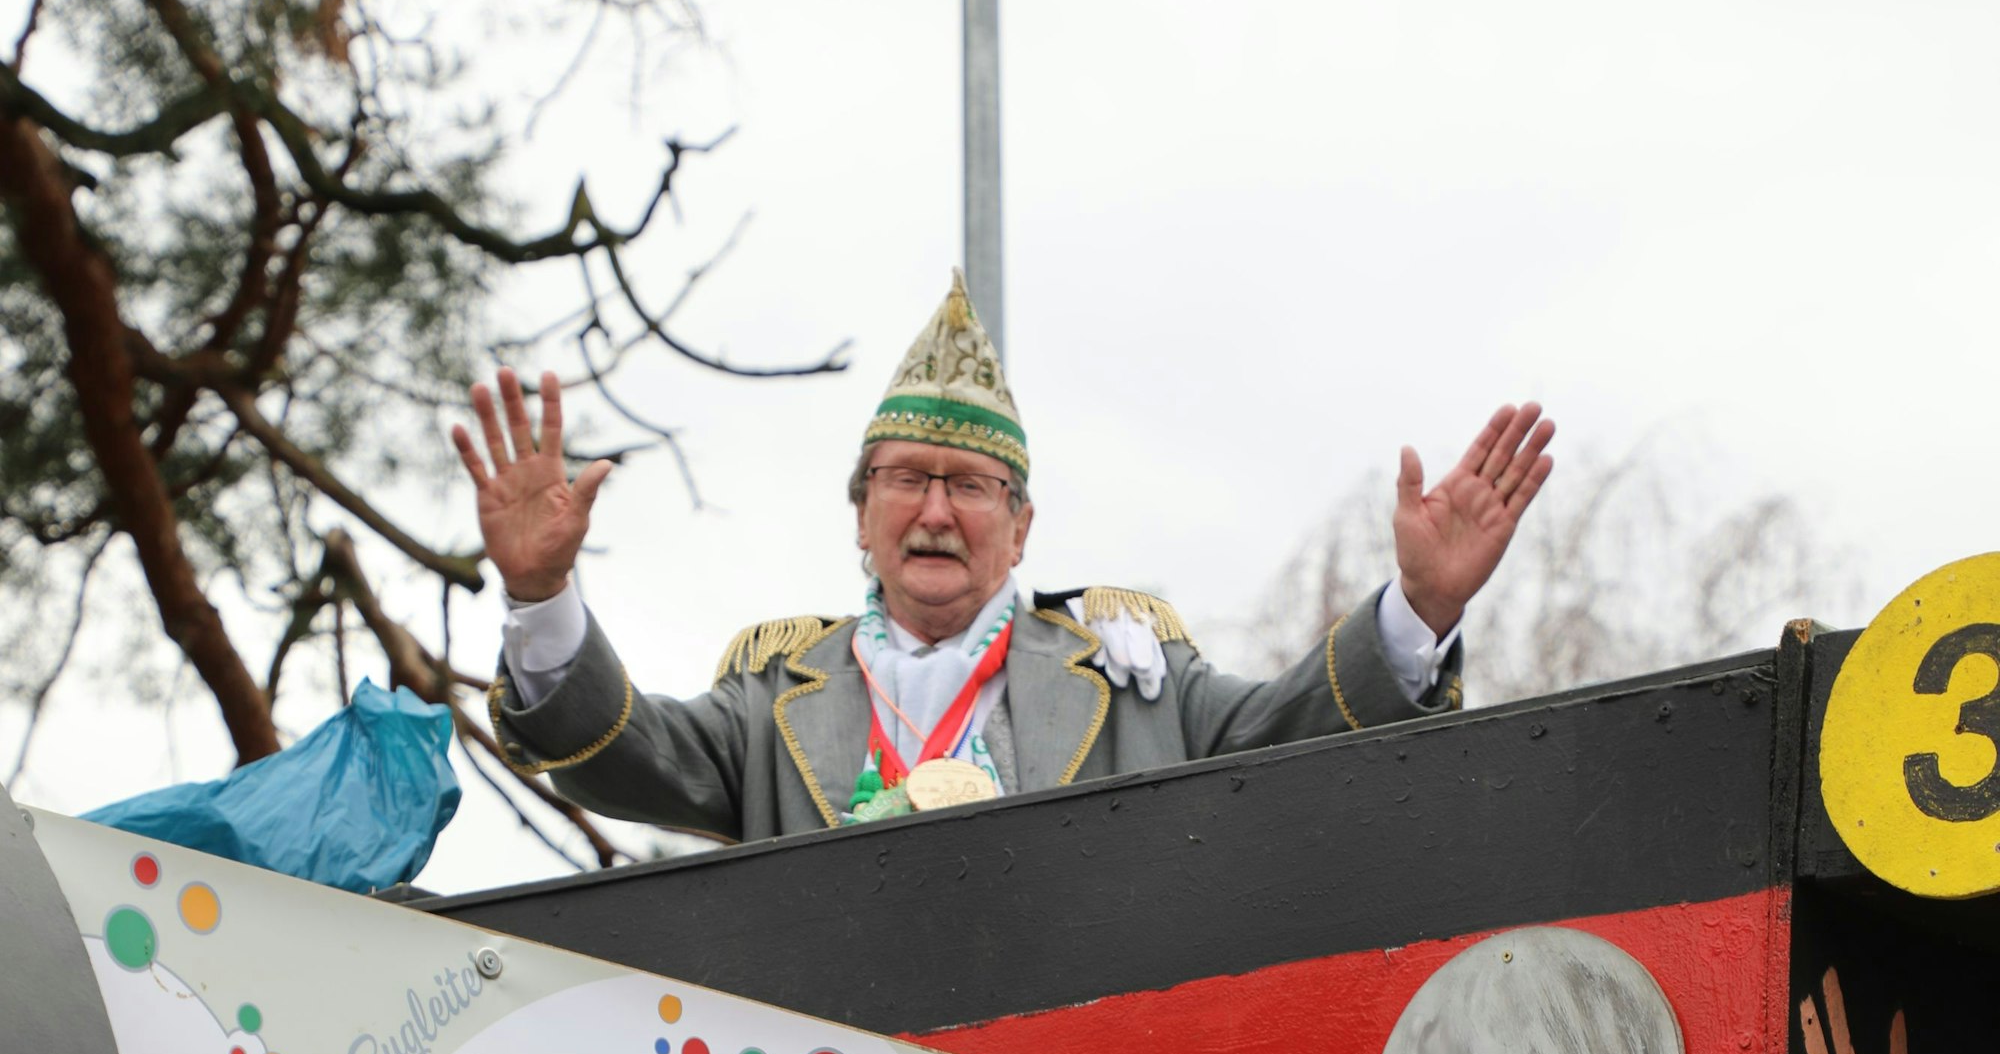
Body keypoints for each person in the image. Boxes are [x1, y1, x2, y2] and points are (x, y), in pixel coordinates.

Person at [456, 272, 1555, 842]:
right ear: (859, 516)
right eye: (904, 478)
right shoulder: (770, 697)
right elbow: (612, 748)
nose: (935, 509)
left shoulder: (1134, 678)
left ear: (1019, 528)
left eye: (969, 484)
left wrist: (1413, 609)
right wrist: (539, 591)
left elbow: (1281, 736)